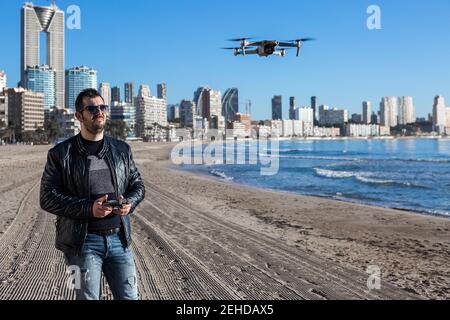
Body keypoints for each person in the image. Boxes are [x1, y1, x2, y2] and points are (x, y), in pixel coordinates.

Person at [40, 88, 145, 300]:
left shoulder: (122, 150)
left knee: (130, 297)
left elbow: (137, 185)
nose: (99, 112)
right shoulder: (60, 154)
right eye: (92, 108)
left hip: (119, 240)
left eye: (102, 107)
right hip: (81, 244)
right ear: (79, 116)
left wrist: (129, 203)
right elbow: (47, 197)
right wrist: (89, 208)